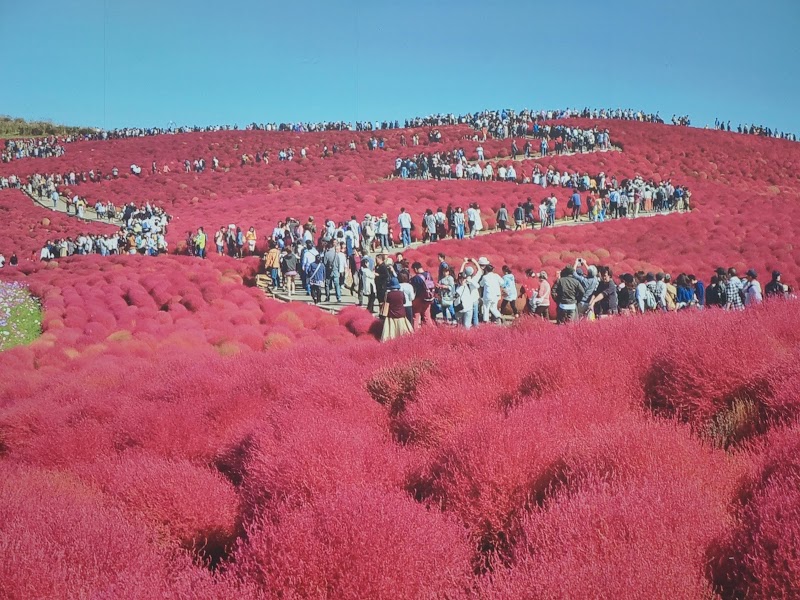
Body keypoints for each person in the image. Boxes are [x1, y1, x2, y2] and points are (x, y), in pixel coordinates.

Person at [410, 261, 436, 326]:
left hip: (419, 299)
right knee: (427, 317)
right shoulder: (428, 274)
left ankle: (415, 333)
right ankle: (431, 332)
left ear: (415, 269)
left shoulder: (416, 278)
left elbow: (413, 289)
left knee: (416, 316)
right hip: (429, 298)